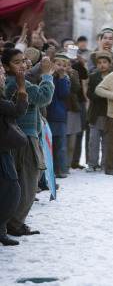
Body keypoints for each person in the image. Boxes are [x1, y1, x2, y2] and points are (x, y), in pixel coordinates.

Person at [4, 51, 54, 237]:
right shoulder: (15, 83)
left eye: (24, 60)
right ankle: (15, 223)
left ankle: (13, 221)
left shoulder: (14, 81)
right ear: (7, 67)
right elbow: (43, 97)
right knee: (28, 183)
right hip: (25, 139)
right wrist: (47, 74)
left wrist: (41, 66)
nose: (22, 65)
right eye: (16, 62)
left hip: (22, 137)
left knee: (23, 182)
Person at [0, 65, 29, 246]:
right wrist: (22, 88)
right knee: (11, 190)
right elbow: (19, 109)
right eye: (1, 73)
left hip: (4, 149)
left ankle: (1, 232)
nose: (3, 76)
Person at [46, 54, 71, 179]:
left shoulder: (65, 79)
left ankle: (60, 168)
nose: (60, 67)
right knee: (48, 143)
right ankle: (48, 169)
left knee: (60, 145)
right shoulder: (47, 77)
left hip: (59, 116)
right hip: (47, 115)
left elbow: (63, 94)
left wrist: (61, 78)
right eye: (58, 64)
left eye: (63, 65)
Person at [86, 52, 112, 172]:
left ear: (110, 64)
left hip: (109, 113)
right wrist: (103, 94)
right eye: (100, 63)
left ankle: (105, 163)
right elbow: (90, 93)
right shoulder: (94, 76)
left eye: (105, 62)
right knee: (93, 141)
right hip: (95, 113)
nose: (102, 65)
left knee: (107, 141)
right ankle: (92, 163)